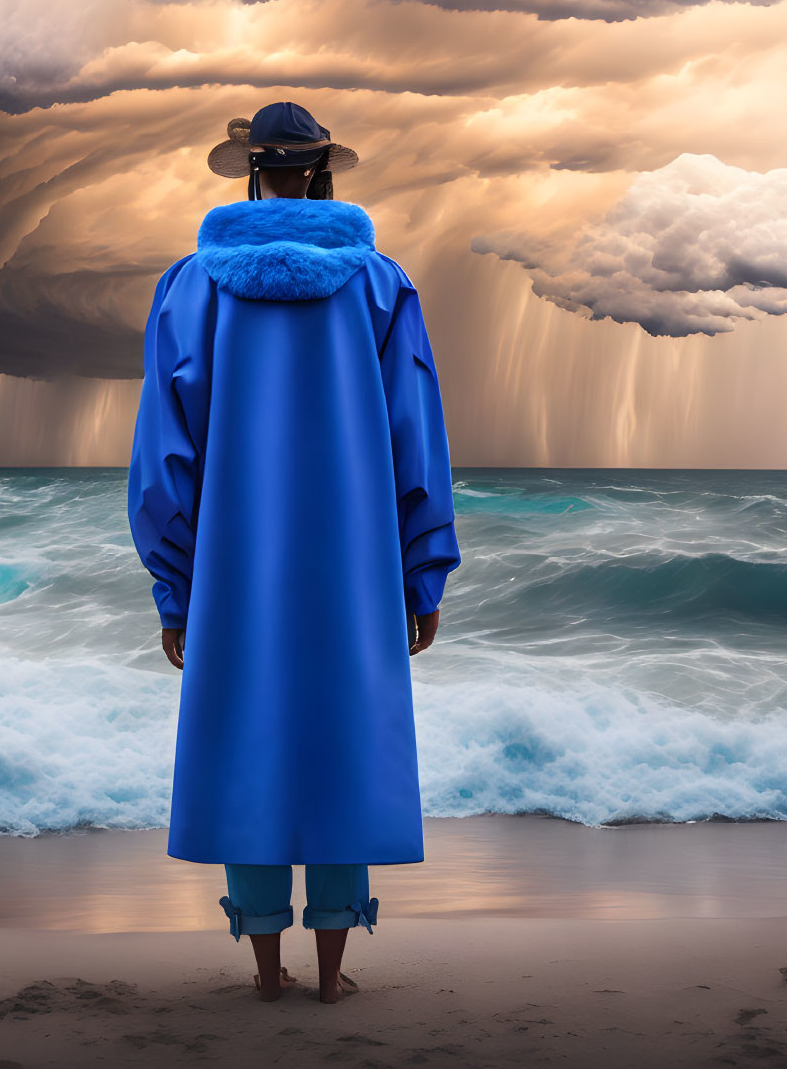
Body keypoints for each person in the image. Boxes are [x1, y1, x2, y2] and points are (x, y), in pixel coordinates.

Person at [127, 101, 462, 1004]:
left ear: (249, 174)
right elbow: (413, 438)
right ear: (321, 174)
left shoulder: (189, 286)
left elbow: (166, 458)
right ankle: (331, 972)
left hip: (235, 570)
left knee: (249, 734)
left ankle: (265, 970)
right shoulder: (381, 284)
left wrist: (174, 588)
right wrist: (420, 572)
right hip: (353, 566)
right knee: (343, 735)